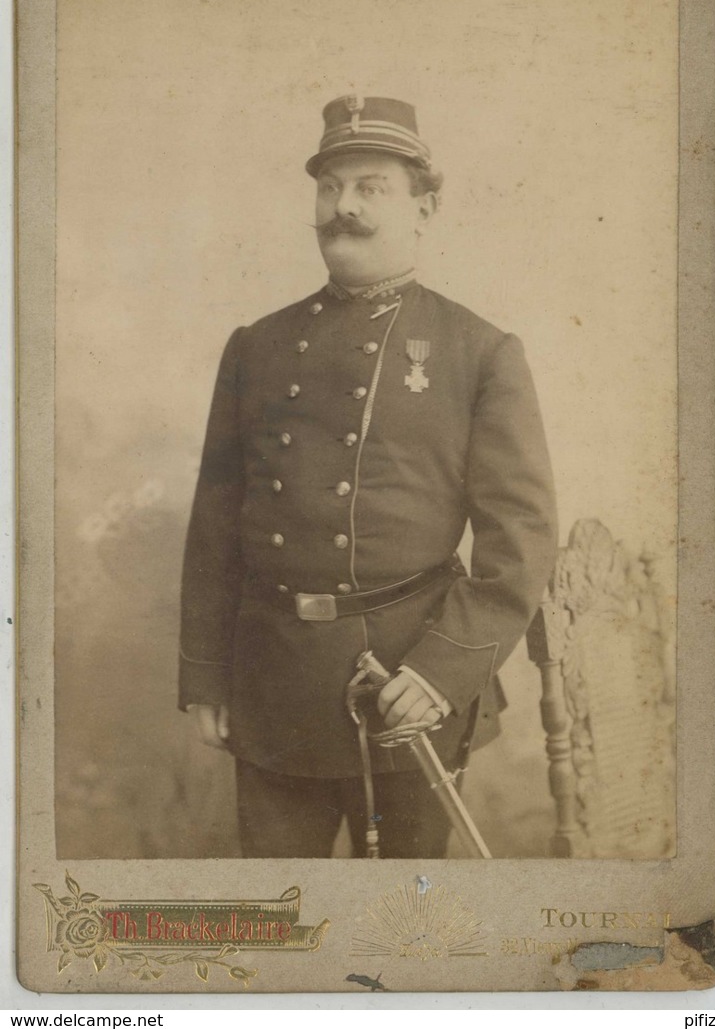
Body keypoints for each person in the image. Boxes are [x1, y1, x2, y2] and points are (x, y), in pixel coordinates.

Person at [179, 94, 557, 858]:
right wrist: (205, 675)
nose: (341, 208)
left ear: (425, 205)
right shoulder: (256, 346)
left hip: (406, 687)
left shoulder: (478, 351)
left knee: (403, 934)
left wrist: (443, 670)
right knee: (284, 924)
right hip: (273, 685)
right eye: (329, 187)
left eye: (369, 188)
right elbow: (215, 524)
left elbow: (520, 540)